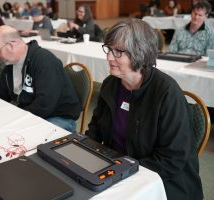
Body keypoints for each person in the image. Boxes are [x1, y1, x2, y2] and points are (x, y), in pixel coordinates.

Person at [85, 18, 203, 200]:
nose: (109, 56)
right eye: (108, 49)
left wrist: (124, 170)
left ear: (138, 53)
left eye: (118, 52)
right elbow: (95, 129)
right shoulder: (110, 84)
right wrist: (82, 153)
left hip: (161, 181)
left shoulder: (166, 93)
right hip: (118, 169)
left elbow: (172, 159)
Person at [0, 25, 81, 133]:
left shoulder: (45, 61)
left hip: (59, 117)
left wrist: (18, 119)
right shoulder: (10, 64)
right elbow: (0, 93)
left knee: (18, 139)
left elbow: (45, 105)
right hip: (33, 114)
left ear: (10, 45)